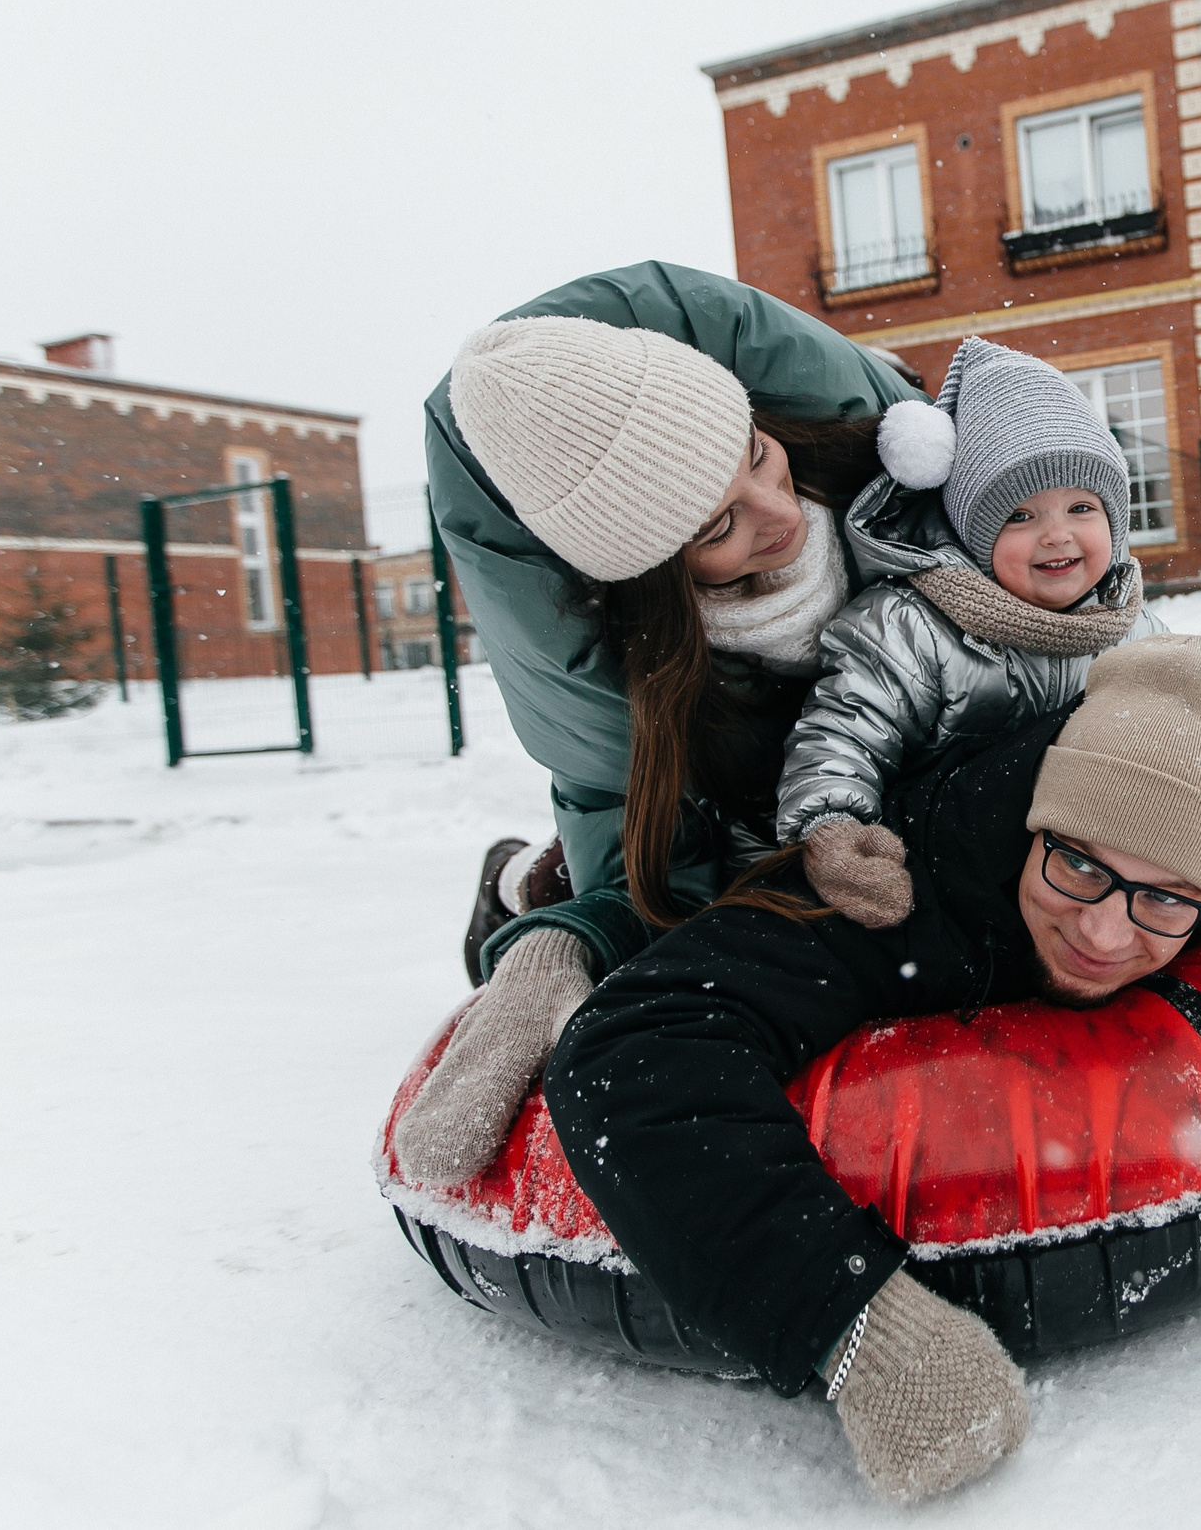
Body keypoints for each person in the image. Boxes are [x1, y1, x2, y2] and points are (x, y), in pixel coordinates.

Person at [546, 636, 1201, 1503]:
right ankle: (528, 906)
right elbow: (626, 1050)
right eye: (1075, 864)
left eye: (1165, 901)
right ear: (1035, 828)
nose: (1100, 929)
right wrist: (850, 1323)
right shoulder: (903, 889)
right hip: (727, 853)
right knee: (612, 919)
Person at [394, 264, 920, 1183]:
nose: (779, 514)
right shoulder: (641, 674)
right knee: (672, 885)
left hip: (870, 785)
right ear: (656, 573)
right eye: (718, 525)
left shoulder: (877, 474)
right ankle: (522, 886)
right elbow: (648, 848)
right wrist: (575, 941)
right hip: (743, 809)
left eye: (757, 454)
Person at [783, 335, 1165, 927]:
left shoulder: (1135, 625)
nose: (1057, 534)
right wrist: (835, 826)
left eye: (1082, 508)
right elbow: (847, 728)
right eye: (1020, 515)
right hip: (943, 879)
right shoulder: (911, 627)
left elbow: (1195, 726)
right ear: (972, 536)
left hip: (1088, 885)